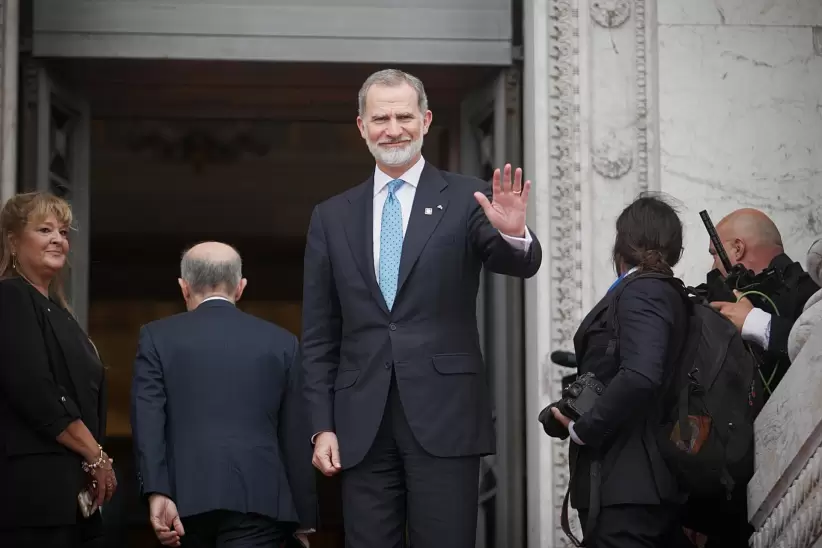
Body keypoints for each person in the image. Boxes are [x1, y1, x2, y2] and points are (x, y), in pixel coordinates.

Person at [300, 68, 542, 548]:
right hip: (360, 420)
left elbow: (519, 264)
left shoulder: (468, 198)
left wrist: (513, 232)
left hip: (445, 415)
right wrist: (321, 426)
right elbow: (318, 335)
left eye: (404, 116)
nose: (393, 128)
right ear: (362, 127)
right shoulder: (332, 216)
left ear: (426, 120)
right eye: (381, 118)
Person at [131, 242, 308, 548]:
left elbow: (148, 420)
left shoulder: (156, 337)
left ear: (184, 288)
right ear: (240, 288)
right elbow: (294, 433)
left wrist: (157, 491)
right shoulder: (282, 342)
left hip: (184, 500)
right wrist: (304, 519)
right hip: (261, 499)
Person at [550, 195, 691, 547]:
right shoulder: (663, 291)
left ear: (622, 243)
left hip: (630, 490)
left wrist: (585, 428)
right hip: (645, 486)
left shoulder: (643, 291)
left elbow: (641, 375)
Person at [0, 191, 116, 548]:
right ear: (13, 241)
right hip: (31, 497)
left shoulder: (58, 312)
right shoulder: (11, 298)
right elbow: (35, 389)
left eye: (63, 232)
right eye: (45, 229)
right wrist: (95, 455)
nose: (57, 239)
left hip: (65, 495)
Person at [706, 208, 819, 395]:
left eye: (715, 254)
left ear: (737, 249)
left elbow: (816, 349)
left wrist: (755, 323)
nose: (712, 266)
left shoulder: (812, 292)